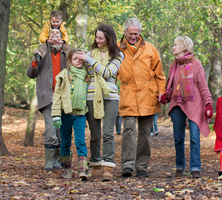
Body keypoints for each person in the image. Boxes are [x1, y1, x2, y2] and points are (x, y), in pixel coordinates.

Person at [117, 18, 166, 177]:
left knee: (145, 133)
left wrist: (161, 91)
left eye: (136, 33)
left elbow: (160, 74)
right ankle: (127, 166)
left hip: (148, 95)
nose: (133, 36)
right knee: (129, 131)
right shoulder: (117, 49)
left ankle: (142, 166)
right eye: (130, 33)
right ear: (125, 33)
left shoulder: (151, 49)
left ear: (140, 33)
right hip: (128, 93)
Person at [159, 36, 213, 178]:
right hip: (177, 104)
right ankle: (180, 166)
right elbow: (172, 86)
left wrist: (208, 104)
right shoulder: (174, 65)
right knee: (178, 138)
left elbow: (203, 86)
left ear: (184, 47)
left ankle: (195, 167)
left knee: (195, 138)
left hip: (194, 105)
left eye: (175, 45)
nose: (173, 47)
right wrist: (166, 96)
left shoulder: (196, 64)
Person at [84, 24, 124, 181]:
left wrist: (90, 62)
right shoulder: (89, 53)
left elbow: (108, 73)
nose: (97, 40)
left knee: (108, 132)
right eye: (96, 37)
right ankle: (95, 164)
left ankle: (108, 165)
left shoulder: (118, 55)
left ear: (109, 38)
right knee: (95, 134)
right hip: (91, 96)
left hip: (111, 97)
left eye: (101, 38)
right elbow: (87, 74)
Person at [27, 28, 70, 172]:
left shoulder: (67, 52)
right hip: (47, 95)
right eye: (52, 34)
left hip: (64, 97)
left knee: (60, 130)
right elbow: (30, 74)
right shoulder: (41, 52)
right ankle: (49, 161)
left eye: (58, 34)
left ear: (62, 38)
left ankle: (58, 160)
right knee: (51, 129)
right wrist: (34, 61)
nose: (55, 36)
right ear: (48, 38)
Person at [51, 49, 90, 180]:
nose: (78, 61)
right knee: (65, 142)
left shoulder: (87, 75)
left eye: (80, 59)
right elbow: (57, 95)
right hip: (66, 114)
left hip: (80, 114)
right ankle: (66, 168)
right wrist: (56, 114)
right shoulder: (64, 74)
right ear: (70, 61)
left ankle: (83, 169)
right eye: (75, 59)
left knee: (80, 141)